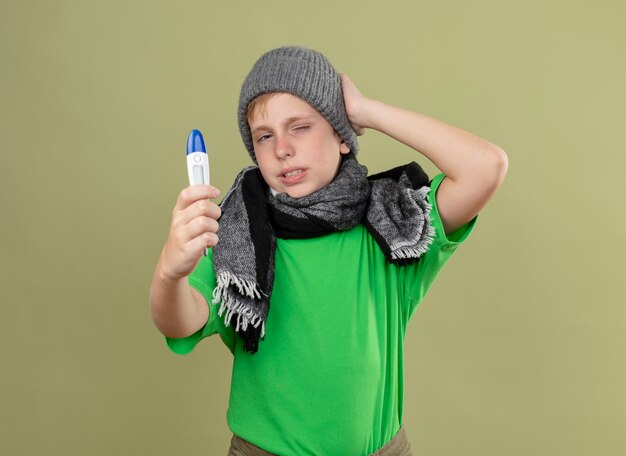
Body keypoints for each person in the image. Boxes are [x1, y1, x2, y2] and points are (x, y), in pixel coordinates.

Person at [150, 46, 508, 456]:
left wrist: (366, 111)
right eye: (264, 136)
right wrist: (169, 273)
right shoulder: (237, 236)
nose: (281, 148)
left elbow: (486, 166)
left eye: (300, 127)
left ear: (342, 136)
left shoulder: (394, 226)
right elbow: (180, 322)